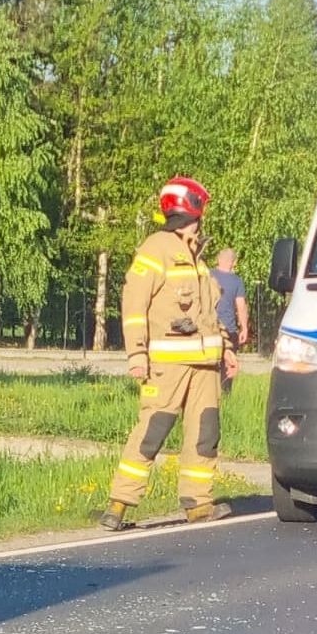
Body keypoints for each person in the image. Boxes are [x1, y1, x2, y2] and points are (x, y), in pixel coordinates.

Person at [100, 177, 232, 529]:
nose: (203, 219)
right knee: (152, 432)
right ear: (192, 209)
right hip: (167, 367)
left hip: (205, 365)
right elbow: (133, 304)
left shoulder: (197, 257)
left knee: (205, 434)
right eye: (201, 211)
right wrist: (136, 354)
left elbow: (208, 314)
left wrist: (228, 350)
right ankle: (119, 504)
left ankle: (198, 504)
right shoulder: (156, 248)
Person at [209, 247, 249, 382]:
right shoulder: (236, 281)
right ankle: (225, 397)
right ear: (234, 262)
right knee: (227, 368)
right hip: (229, 330)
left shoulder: (207, 275)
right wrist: (244, 328)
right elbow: (241, 306)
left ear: (217, 260)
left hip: (209, 329)